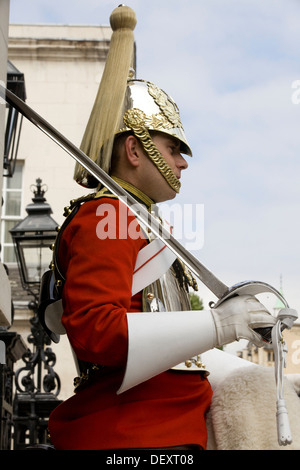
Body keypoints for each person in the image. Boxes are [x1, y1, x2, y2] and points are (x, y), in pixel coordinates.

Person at [44, 6, 277, 451]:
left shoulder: (140, 222)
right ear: (134, 149)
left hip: (175, 429)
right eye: (173, 148)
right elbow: (96, 331)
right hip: (136, 437)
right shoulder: (104, 217)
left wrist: (241, 343)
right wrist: (220, 323)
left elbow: (179, 358)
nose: (183, 162)